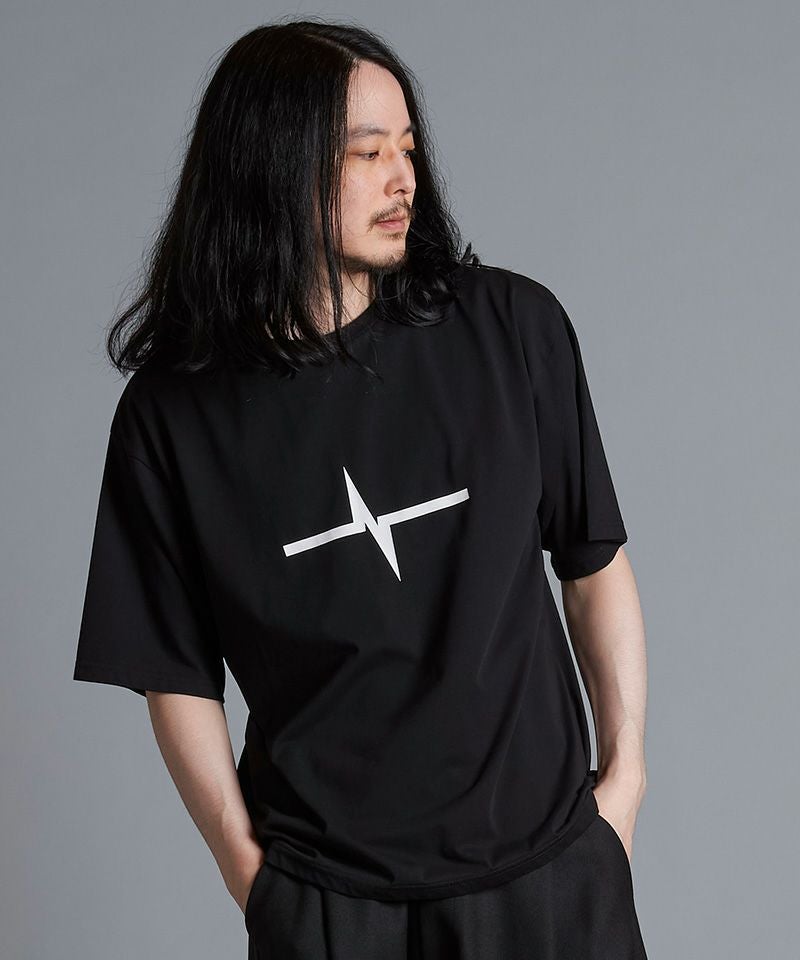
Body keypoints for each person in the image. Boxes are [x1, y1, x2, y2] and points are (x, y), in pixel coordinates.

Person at [73, 17, 649, 960]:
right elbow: (172, 673)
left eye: (408, 147)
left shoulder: (512, 327)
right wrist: (249, 875)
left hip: (550, 878)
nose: (403, 178)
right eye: (366, 151)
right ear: (272, 166)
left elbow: (593, 563)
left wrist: (622, 790)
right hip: (331, 904)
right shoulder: (171, 416)